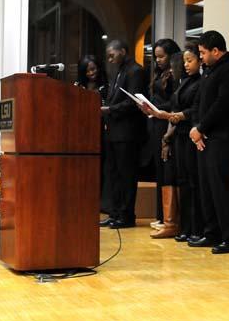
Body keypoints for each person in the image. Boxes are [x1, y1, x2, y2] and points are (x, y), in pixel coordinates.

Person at [189, 31, 229, 254]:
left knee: (223, 189)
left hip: (225, 138)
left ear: (216, 51)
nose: (201, 58)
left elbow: (223, 105)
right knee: (207, 189)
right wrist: (196, 129)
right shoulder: (209, 70)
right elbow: (198, 102)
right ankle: (211, 232)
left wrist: (201, 128)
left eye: (203, 53)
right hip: (206, 138)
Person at [146, 41, 204, 242]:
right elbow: (173, 105)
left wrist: (172, 116)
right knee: (182, 181)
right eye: (185, 61)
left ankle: (195, 228)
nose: (186, 65)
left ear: (200, 60)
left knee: (191, 182)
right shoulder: (186, 81)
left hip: (190, 135)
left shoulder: (200, 82)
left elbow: (194, 110)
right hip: (178, 134)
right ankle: (184, 227)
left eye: (190, 60)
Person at [100, 39, 146, 229]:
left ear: (123, 51)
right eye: (108, 56)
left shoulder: (135, 71)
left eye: (112, 55)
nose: (110, 59)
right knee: (114, 175)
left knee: (126, 176)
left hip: (127, 133)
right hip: (114, 132)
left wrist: (108, 110)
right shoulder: (119, 71)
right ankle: (115, 212)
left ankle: (127, 215)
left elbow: (133, 102)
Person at [138, 39, 181, 238]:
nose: (158, 60)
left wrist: (156, 108)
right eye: (156, 57)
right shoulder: (158, 74)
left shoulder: (175, 76)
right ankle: (161, 215)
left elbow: (173, 103)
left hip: (166, 122)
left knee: (167, 169)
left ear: (172, 56)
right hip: (154, 122)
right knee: (159, 170)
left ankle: (169, 219)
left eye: (162, 56)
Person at [76, 55, 111, 213]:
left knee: (101, 167)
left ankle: (101, 202)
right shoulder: (77, 86)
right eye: (87, 70)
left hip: (101, 131)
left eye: (93, 69)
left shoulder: (106, 86)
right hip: (81, 132)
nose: (91, 73)